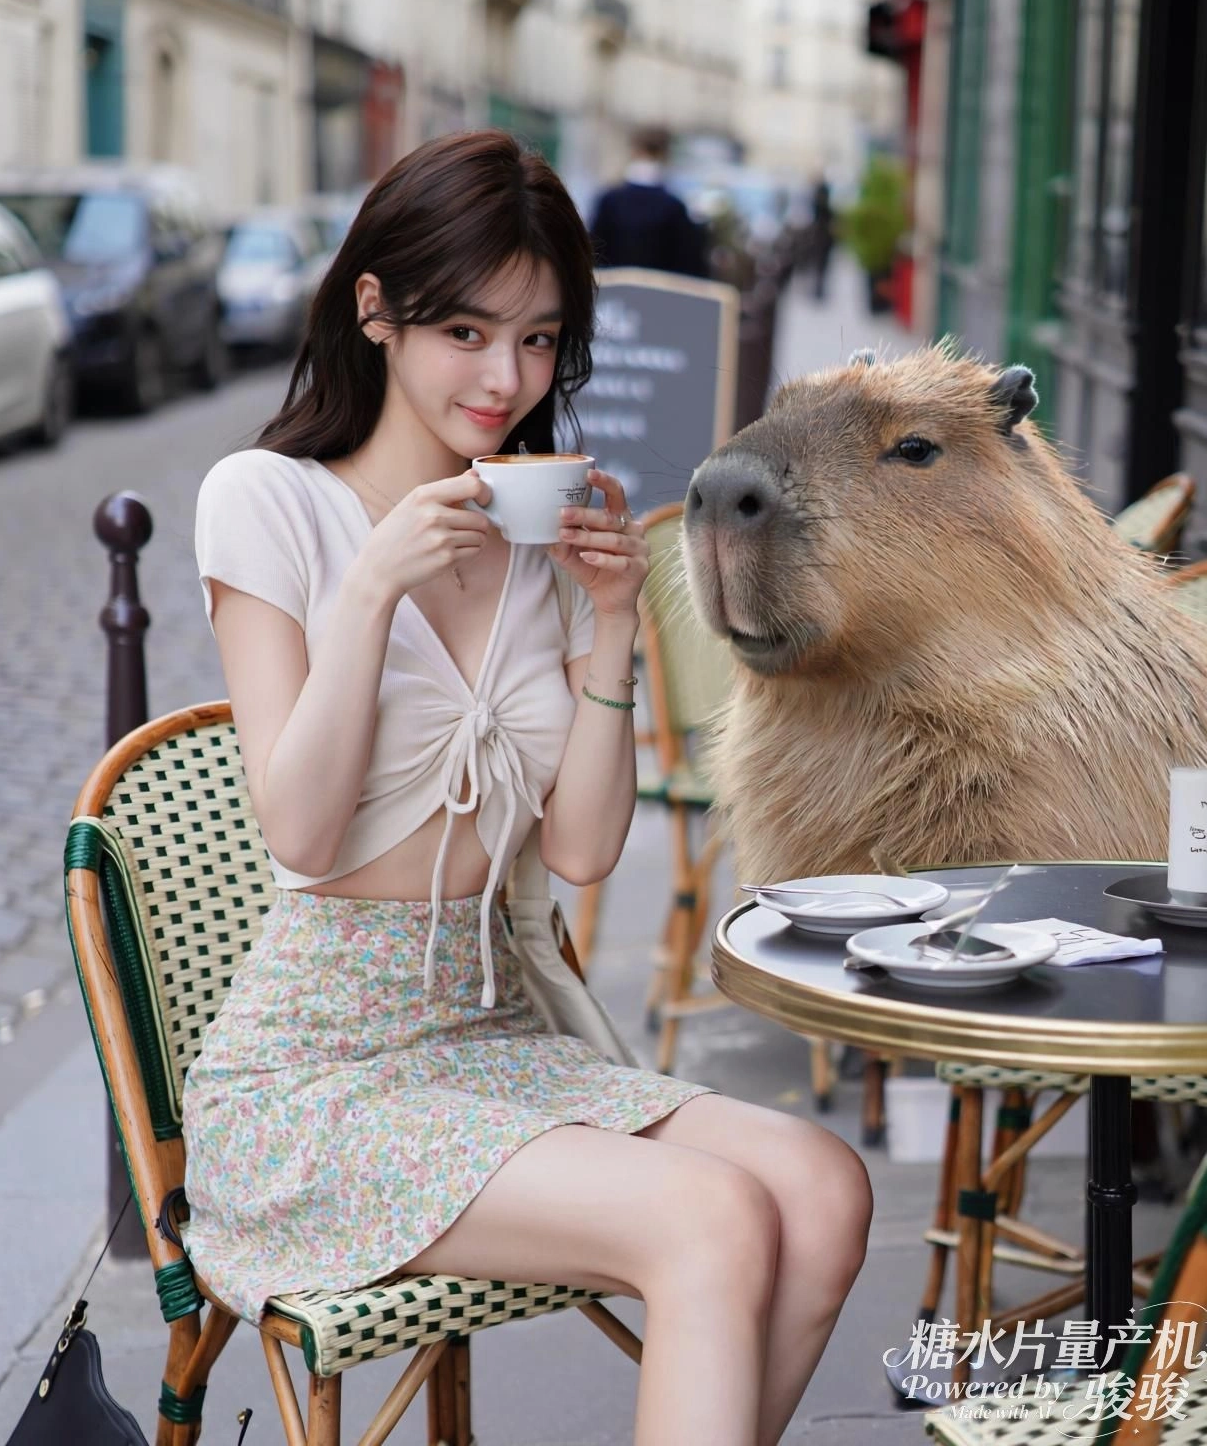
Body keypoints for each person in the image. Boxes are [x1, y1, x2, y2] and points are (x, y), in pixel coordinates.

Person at [184, 129, 871, 1445]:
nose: (507, 378)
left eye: (543, 340)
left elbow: (584, 852)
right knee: (711, 1215)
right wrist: (375, 585)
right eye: (468, 331)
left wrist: (611, 622)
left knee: (825, 1184)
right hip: (320, 1075)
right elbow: (301, 831)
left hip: (497, 1038)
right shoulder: (266, 503)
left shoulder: (539, 533)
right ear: (375, 310)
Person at [589, 123, 710, 278]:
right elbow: (689, 266)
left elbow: (594, 255)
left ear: (634, 151)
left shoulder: (609, 201)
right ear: (665, 154)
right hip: (661, 298)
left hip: (614, 297)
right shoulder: (674, 207)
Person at [811, 176, 834, 300]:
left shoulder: (822, 210)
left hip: (822, 241)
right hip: (824, 241)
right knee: (821, 268)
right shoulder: (826, 210)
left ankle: (819, 289)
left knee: (820, 267)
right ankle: (819, 289)